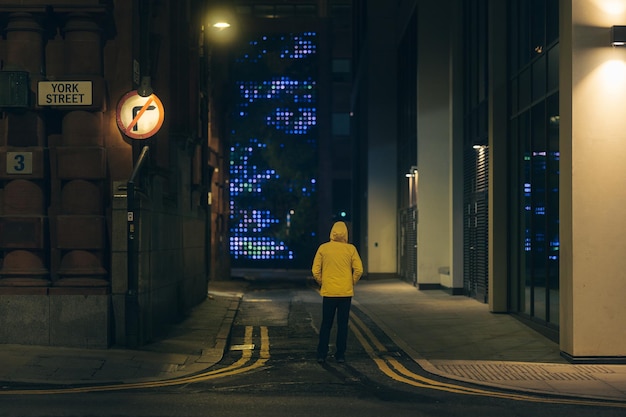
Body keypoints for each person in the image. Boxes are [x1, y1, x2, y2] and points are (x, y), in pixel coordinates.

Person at [311, 221, 363, 363]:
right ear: (346, 233)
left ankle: (322, 354)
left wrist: (322, 282)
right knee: (342, 325)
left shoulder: (323, 248)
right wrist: (351, 282)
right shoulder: (350, 249)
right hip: (345, 293)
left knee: (326, 324)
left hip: (329, 293)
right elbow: (359, 270)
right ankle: (340, 355)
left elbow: (315, 271)